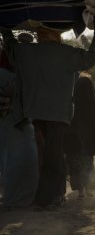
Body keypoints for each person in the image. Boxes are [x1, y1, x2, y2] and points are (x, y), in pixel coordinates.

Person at [0, 13, 95, 208]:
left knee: (47, 153)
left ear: (39, 34)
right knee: (53, 154)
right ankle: (48, 198)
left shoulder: (28, 52)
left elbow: (11, 50)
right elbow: (90, 58)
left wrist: (5, 27)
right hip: (59, 114)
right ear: (57, 35)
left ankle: (53, 195)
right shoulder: (66, 53)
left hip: (36, 112)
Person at [65, 76, 95, 199]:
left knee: (75, 165)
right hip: (87, 143)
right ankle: (89, 189)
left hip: (73, 142)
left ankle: (80, 190)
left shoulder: (71, 102)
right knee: (87, 164)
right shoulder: (93, 104)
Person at [0, 68, 38, 208]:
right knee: (16, 163)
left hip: (13, 122)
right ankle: (15, 200)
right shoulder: (6, 74)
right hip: (14, 123)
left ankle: (14, 198)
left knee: (11, 163)